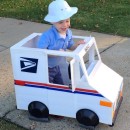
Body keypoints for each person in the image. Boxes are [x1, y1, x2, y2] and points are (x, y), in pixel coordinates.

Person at [37, 0, 85, 119]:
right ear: (52, 22)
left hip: (59, 66)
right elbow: (40, 52)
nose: (65, 25)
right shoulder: (47, 36)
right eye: (60, 22)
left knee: (61, 85)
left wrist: (77, 45)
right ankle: (52, 109)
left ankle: (61, 105)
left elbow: (70, 46)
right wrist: (55, 53)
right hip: (47, 68)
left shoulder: (68, 33)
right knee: (49, 89)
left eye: (67, 21)